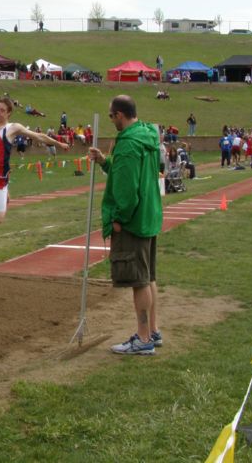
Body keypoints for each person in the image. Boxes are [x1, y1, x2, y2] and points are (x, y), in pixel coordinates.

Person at [88, 95, 162, 355]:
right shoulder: (146, 134)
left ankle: (143, 339)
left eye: (111, 116)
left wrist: (118, 218)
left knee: (138, 280)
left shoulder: (129, 144)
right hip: (148, 217)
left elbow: (128, 188)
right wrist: (104, 162)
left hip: (133, 221)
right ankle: (152, 331)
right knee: (148, 276)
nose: (110, 120)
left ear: (120, 115)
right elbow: (127, 171)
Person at [0, 97, 69, 223]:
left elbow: (38, 136)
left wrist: (58, 144)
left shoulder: (13, 128)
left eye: (2, 110)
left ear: (9, 113)